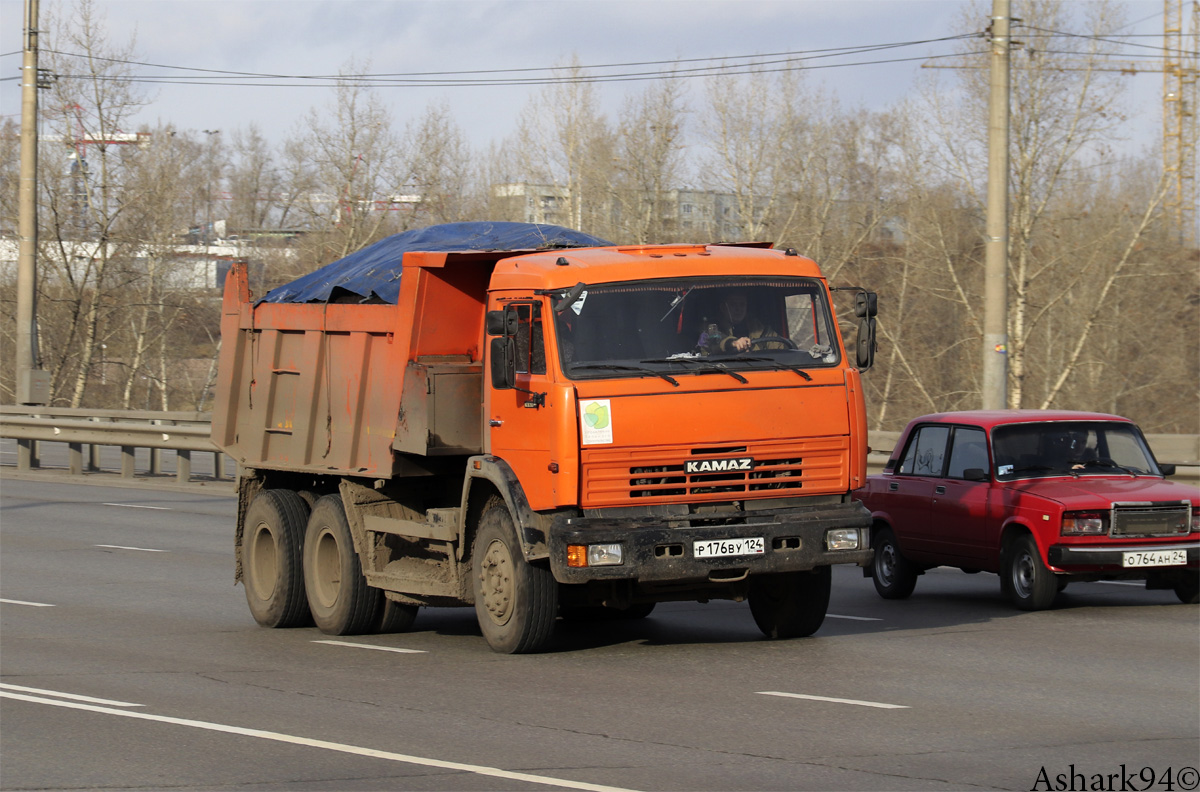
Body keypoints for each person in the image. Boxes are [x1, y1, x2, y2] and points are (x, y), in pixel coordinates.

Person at [700, 290, 778, 353]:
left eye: (742, 304)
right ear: (723, 307)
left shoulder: (759, 328)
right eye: (733, 305)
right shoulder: (711, 327)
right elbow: (713, 343)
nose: (738, 309)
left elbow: (780, 348)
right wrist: (733, 343)